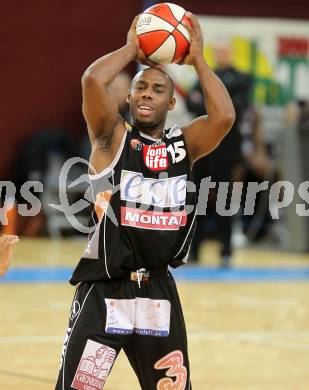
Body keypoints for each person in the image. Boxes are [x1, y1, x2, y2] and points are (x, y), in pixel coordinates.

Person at [55, 12, 235, 390]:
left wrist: (199, 59)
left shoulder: (183, 146)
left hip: (157, 293)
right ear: (130, 95)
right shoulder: (112, 137)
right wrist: (132, 48)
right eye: (140, 88)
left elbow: (224, 116)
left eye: (157, 89)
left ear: (172, 102)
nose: (147, 94)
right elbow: (93, 80)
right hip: (106, 290)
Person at [186, 38, 251, 267]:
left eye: (225, 51)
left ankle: (226, 250)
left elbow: (234, 109)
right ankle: (194, 250)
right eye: (219, 51)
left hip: (228, 150)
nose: (222, 55)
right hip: (204, 148)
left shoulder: (243, 77)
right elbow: (191, 104)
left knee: (223, 199)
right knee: (198, 199)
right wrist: (216, 103)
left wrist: (208, 100)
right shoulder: (206, 77)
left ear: (230, 54)